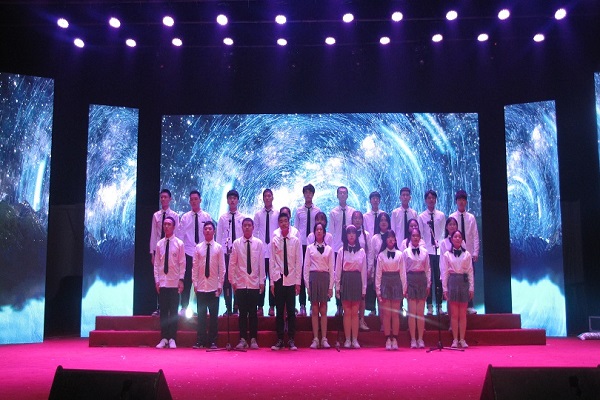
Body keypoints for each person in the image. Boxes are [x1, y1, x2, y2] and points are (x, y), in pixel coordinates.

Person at [229, 218, 265, 350]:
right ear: (242, 227)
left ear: (253, 227)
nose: (247, 227)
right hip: (241, 282)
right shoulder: (237, 243)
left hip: (254, 282)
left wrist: (262, 281)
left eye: (249, 225)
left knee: (253, 312)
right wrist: (232, 280)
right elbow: (232, 263)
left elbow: (261, 263)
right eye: (245, 225)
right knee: (242, 313)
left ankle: (253, 339)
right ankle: (243, 339)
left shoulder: (259, 243)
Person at [269, 213, 303, 351]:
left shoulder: (295, 240)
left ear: (289, 223)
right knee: (279, 311)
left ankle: (291, 339)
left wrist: (298, 282)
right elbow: (272, 261)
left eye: (285, 221)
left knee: (291, 310)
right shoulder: (275, 240)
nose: (283, 223)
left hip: (291, 279)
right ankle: (280, 339)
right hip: (279, 279)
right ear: (278, 224)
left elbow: (298, 261)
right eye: (281, 221)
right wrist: (272, 282)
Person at [177, 190, 212, 317]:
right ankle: (184, 307)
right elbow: (180, 237)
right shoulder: (185, 217)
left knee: (203, 280)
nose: (194, 201)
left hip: (203, 252)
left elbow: (210, 235)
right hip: (188, 252)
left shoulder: (206, 216)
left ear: (200, 200)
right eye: (191, 199)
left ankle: (203, 308)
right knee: (186, 280)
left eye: (196, 199)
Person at [192, 221, 226, 349]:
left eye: (210, 229)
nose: (207, 231)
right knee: (201, 316)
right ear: (203, 231)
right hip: (201, 286)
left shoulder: (218, 248)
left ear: (214, 231)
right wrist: (195, 283)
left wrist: (220, 284)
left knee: (213, 316)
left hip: (213, 287)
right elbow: (195, 267)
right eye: (205, 228)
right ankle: (200, 340)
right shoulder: (198, 248)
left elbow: (222, 268)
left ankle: (213, 341)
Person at [154, 216, 185, 349]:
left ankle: (172, 338)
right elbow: (157, 264)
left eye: (169, 224)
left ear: (174, 227)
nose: (166, 227)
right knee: (163, 312)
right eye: (164, 224)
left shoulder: (179, 243)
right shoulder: (159, 244)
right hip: (163, 282)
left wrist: (181, 280)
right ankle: (164, 338)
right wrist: (157, 280)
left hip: (174, 282)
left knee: (173, 312)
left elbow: (182, 263)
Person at [335, 225, 367, 349]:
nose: (351, 235)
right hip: (346, 280)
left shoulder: (362, 251)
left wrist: (364, 288)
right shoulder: (341, 251)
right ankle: (348, 339)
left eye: (353, 233)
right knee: (347, 311)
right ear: (346, 235)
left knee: (355, 312)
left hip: (357, 280)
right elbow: (338, 270)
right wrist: (337, 287)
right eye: (349, 233)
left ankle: (355, 339)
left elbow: (363, 271)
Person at [304, 222, 335, 349]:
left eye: (321, 229)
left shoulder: (329, 249)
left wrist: (331, 287)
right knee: (315, 308)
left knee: (323, 309)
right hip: (314, 278)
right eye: (317, 229)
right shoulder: (309, 248)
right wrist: (307, 285)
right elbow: (306, 267)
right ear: (314, 232)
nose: (319, 231)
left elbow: (331, 268)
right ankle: (316, 338)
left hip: (324, 278)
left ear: (324, 232)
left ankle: (324, 338)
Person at [449, 190, 480, 315]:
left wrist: (475, 252)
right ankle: (456, 305)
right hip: (456, 253)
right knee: (457, 279)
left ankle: (470, 305)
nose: (461, 202)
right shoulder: (452, 217)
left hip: (469, 253)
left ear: (466, 202)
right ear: (456, 202)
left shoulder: (471, 217)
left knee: (469, 278)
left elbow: (475, 235)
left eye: (463, 200)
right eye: (459, 200)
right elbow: (449, 235)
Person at [149, 188, 179, 316]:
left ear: (170, 199)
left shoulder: (175, 215)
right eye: (161, 197)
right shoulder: (156, 215)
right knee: (159, 277)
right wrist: (152, 252)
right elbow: (153, 234)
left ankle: (172, 308)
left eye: (165, 197)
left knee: (171, 277)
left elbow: (177, 234)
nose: (163, 199)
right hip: (160, 249)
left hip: (172, 249)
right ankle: (159, 306)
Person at [442, 230, 474, 348]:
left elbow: (470, 271)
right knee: (454, 314)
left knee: (462, 314)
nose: (457, 238)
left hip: (463, 282)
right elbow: (444, 272)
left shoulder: (467, 254)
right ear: (451, 239)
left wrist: (471, 287)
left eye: (460, 237)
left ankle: (462, 339)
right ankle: (455, 339)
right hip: (453, 282)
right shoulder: (447, 255)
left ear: (462, 239)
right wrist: (445, 288)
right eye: (455, 237)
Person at [376, 230, 407, 350]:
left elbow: (403, 273)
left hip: (396, 283)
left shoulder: (400, 254)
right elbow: (378, 274)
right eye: (388, 237)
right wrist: (378, 290)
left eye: (392, 237)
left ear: (395, 239)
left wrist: (404, 288)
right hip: (385, 282)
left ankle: (395, 338)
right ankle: (388, 338)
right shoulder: (381, 255)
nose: (390, 239)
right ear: (385, 240)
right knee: (387, 314)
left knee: (395, 314)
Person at [216, 189, 245, 316]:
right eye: (230, 198)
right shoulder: (223, 218)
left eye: (234, 198)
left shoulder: (242, 218)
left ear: (237, 201)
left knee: (237, 279)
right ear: (227, 201)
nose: (232, 200)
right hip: (225, 253)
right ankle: (228, 307)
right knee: (227, 280)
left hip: (238, 253)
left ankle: (237, 307)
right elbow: (218, 237)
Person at [294, 184, 321, 316]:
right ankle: (302, 305)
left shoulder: (317, 210)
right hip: (302, 245)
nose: (308, 194)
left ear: (313, 194)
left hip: (313, 245)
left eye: (310, 192)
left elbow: (319, 227)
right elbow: (296, 229)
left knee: (312, 274)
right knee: (301, 275)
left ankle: (312, 304)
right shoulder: (299, 211)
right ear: (303, 194)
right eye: (306, 192)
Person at [418, 189, 446, 315]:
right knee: (428, 280)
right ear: (425, 200)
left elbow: (444, 232)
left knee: (439, 279)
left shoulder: (441, 215)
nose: (431, 200)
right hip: (427, 252)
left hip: (439, 251)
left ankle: (439, 305)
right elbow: (420, 235)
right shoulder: (421, 216)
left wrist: (442, 246)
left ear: (435, 200)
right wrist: (423, 250)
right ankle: (429, 306)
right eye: (429, 198)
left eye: (433, 198)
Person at [330, 186, 356, 316]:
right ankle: (338, 305)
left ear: (347, 195)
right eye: (340, 193)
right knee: (338, 277)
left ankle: (349, 305)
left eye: (344, 193)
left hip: (350, 248)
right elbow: (331, 232)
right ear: (337, 195)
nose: (342, 195)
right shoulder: (333, 212)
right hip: (336, 248)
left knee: (349, 276)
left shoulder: (352, 212)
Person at [403, 228, 430, 349]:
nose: (415, 237)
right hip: (410, 279)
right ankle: (413, 339)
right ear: (410, 237)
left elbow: (427, 269)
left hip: (422, 279)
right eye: (413, 235)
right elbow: (403, 270)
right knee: (412, 312)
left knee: (420, 312)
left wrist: (428, 284)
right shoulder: (406, 252)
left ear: (420, 238)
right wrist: (405, 286)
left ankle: (420, 338)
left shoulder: (425, 252)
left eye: (417, 236)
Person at [254, 189, 279, 317]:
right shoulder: (258, 214)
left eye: (269, 196)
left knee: (273, 280)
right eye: (265, 196)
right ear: (263, 198)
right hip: (262, 251)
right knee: (261, 279)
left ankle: (272, 306)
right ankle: (260, 306)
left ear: (273, 197)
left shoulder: (278, 213)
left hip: (274, 252)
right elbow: (255, 232)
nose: (267, 198)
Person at [367, 212, 391, 319]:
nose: (383, 222)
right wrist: (371, 271)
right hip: (377, 267)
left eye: (385, 220)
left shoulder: (392, 235)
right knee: (378, 291)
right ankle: (377, 313)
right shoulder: (375, 238)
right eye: (381, 220)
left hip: (389, 268)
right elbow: (371, 255)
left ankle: (387, 316)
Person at [352, 211, 372, 331]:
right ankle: (352, 319)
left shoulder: (366, 234)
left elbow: (370, 252)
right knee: (352, 296)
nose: (357, 220)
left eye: (359, 218)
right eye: (355, 218)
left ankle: (361, 320)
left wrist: (369, 268)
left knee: (362, 295)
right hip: (351, 269)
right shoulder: (348, 233)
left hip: (363, 269)